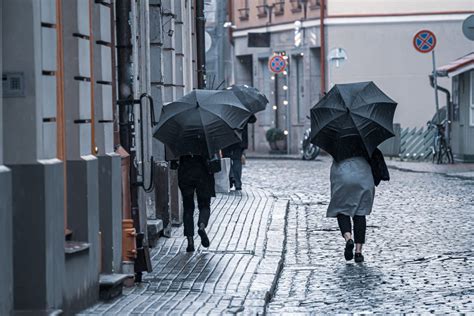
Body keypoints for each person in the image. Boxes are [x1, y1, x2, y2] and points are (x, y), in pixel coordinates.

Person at [327, 148, 389, 263]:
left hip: (342, 176)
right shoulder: (365, 141)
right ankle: (358, 252)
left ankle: (348, 238)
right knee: (360, 212)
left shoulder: (336, 141)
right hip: (363, 177)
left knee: (341, 209)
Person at [171, 153, 216, 252]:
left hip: (186, 173)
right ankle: (201, 226)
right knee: (204, 205)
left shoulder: (182, 139)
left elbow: (174, 158)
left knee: (188, 208)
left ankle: (190, 241)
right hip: (203, 174)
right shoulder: (206, 139)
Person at [222, 115, 256, 191]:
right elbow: (253, 119)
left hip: (226, 137)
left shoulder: (223, 108)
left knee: (227, 159)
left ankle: (231, 178)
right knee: (236, 160)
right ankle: (237, 183)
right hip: (239, 138)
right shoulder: (242, 108)